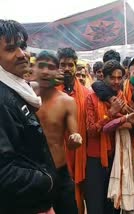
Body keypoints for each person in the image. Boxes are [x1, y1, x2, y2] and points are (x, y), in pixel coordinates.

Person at [0, 19, 56, 213]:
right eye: (10, 49)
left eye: (23, 46)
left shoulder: (17, 90)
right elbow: (4, 173)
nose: (22, 54)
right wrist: (46, 181)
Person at [35, 50, 82, 214]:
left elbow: (73, 139)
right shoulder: (23, 98)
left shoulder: (67, 102)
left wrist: (74, 140)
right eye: (41, 66)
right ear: (34, 69)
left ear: (57, 71)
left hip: (59, 174)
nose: (45, 71)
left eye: (50, 67)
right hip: (33, 175)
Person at [85, 60, 130, 214]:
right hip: (95, 159)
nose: (116, 82)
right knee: (96, 205)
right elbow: (91, 131)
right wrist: (110, 113)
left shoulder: (122, 97)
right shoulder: (91, 99)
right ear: (103, 77)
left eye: (119, 78)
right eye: (112, 78)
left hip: (116, 157)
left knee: (113, 205)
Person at [104, 90, 134, 213]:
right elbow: (106, 127)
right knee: (125, 204)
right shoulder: (123, 119)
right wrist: (125, 119)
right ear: (131, 104)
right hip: (124, 167)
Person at [57, 47, 90, 213]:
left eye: (70, 64)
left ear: (76, 66)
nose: (67, 68)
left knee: (79, 197)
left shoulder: (86, 93)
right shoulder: (50, 93)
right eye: (63, 64)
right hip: (59, 155)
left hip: (80, 154)